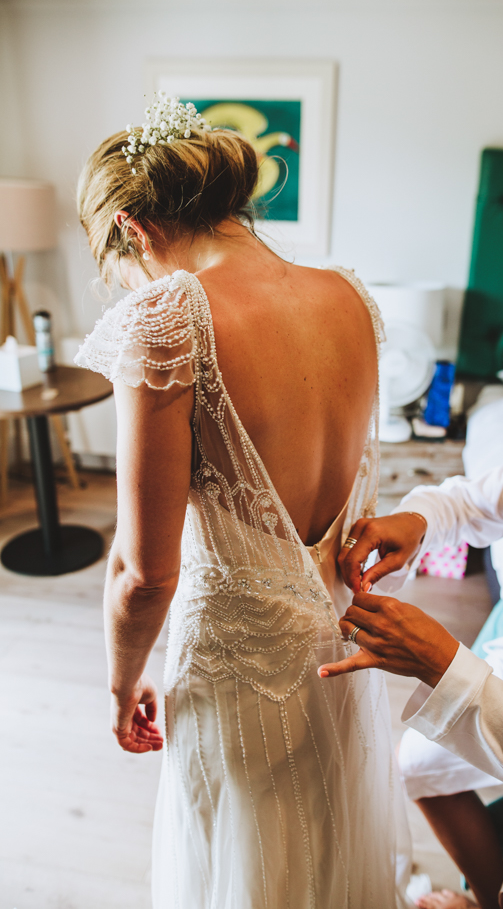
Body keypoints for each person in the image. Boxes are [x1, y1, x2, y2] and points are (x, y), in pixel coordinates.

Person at [75, 93, 412, 908]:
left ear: (133, 228)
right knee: (323, 846)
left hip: (239, 665)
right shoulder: (350, 296)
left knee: (245, 863)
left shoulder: (170, 317)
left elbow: (143, 570)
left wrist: (123, 684)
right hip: (338, 641)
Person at [320, 395, 503, 909]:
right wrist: (418, 521)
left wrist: (443, 663)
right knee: (417, 761)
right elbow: (475, 503)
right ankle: (482, 895)